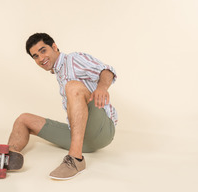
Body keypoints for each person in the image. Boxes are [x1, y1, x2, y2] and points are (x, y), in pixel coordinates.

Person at [8, 33, 117, 180]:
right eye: (35, 56)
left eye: (43, 50)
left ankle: (75, 160)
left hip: (102, 130)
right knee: (24, 119)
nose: (41, 58)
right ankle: (7, 157)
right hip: (82, 137)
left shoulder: (72, 59)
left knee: (72, 87)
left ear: (54, 46)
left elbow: (107, 70)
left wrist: (102, 88)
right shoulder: (59, 72)